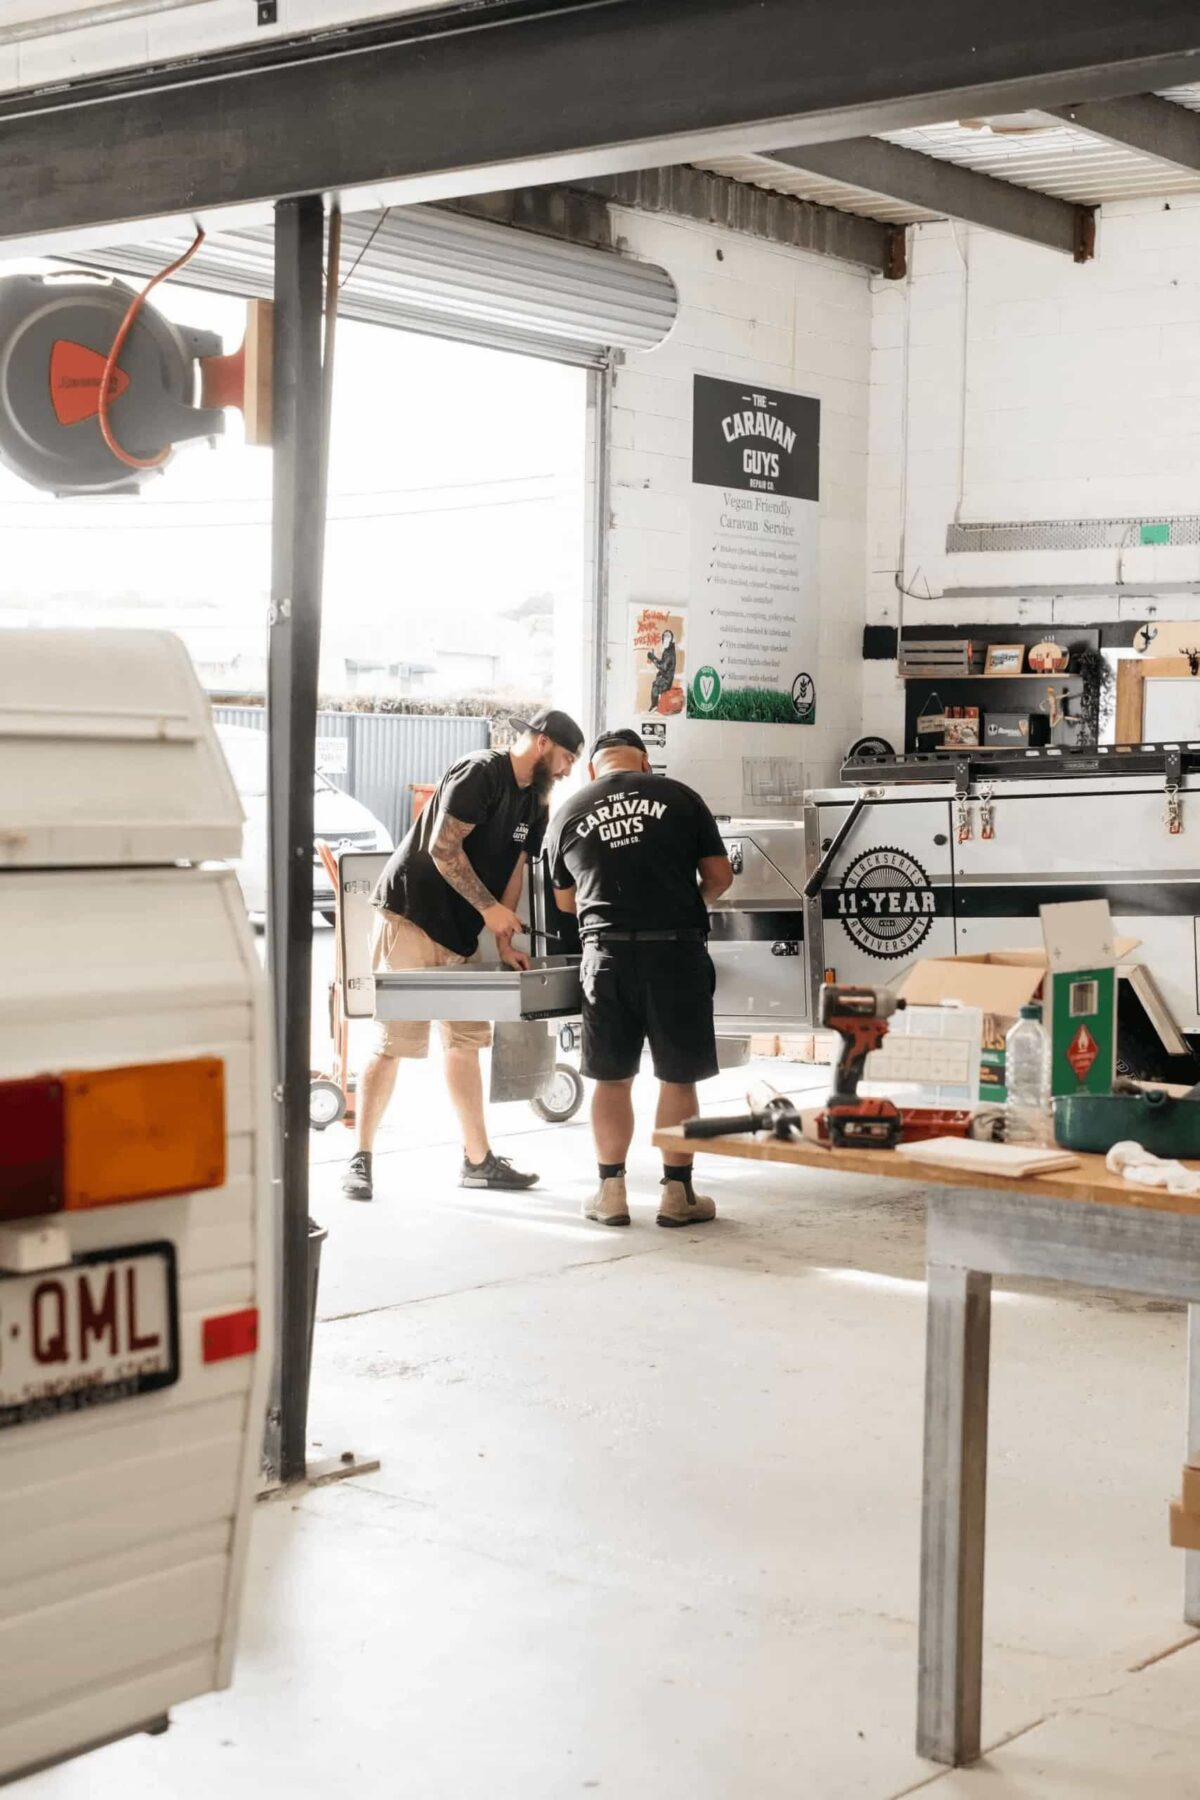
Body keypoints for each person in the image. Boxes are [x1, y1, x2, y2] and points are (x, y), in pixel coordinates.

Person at [343, 707, 584, 1202]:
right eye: (564, 758)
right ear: (540, 743)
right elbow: (442, 848)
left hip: (463, 932)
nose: (565, 770)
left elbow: (515, 866)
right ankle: (360, 1159)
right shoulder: (480, 772)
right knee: (394, 1041)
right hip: (412, 916)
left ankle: (478, 1161)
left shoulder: (535, 801)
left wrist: (502, 936)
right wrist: (489, 908)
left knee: (465, 1041)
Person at [546, 727, 733, 1228]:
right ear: (645, 763)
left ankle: (611, 1193)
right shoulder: (681, 797)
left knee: (610, 1076)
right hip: (675, 953)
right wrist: (688, 904)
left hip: (605, 957)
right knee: (677, 1074)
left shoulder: (567, 809)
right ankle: (678, 1195)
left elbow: (566, 902)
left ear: (593, 768)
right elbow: (719, 876)